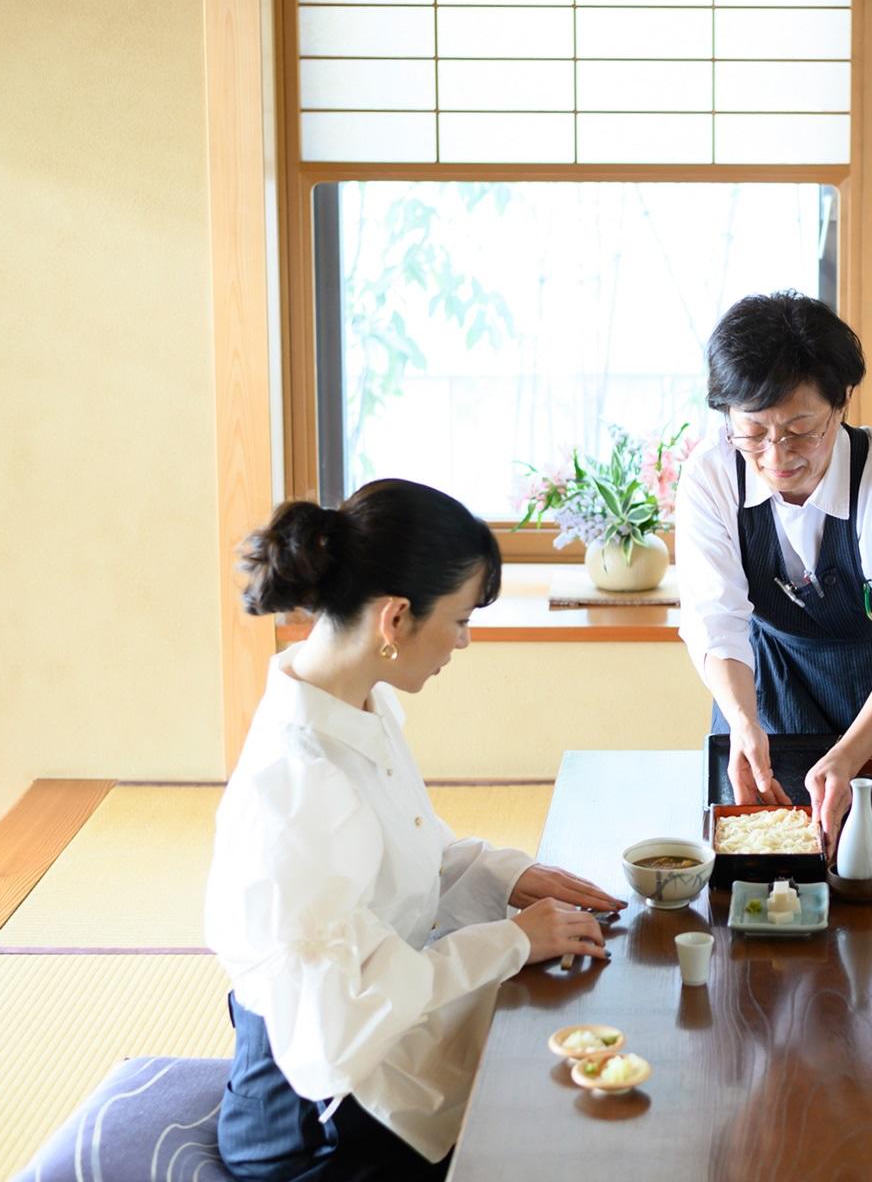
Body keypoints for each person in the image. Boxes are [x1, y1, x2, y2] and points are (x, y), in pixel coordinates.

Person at [205, 479, 624, 1181]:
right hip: (317, 1119)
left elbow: (406, 866)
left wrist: (508, 876)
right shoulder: (303, 783)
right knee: (562, 1128)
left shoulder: (353, 702)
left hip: (373, 1043)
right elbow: (338, 1028)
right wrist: (512, 941)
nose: (464, 640)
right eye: (459, 619)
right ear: (396, 618)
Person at [674, 291, 872, 843]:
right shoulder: (711, 477)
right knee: (778, 839)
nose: (776, 456)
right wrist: (744, 722)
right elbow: (716, 622)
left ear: (842, 402)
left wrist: (848, 757)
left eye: (801, 430)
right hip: (778, 676)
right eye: (752, 432)